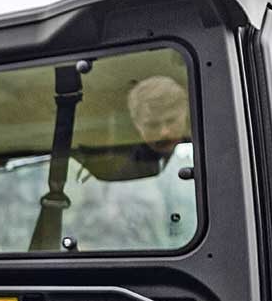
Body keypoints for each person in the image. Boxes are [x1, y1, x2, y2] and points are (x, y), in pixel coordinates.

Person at [63, 74, 196, 250]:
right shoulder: (112, 180)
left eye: (171, 120)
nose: (164, 132)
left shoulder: (207, 156)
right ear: (137, 125)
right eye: (153, 125)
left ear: (185, 114)